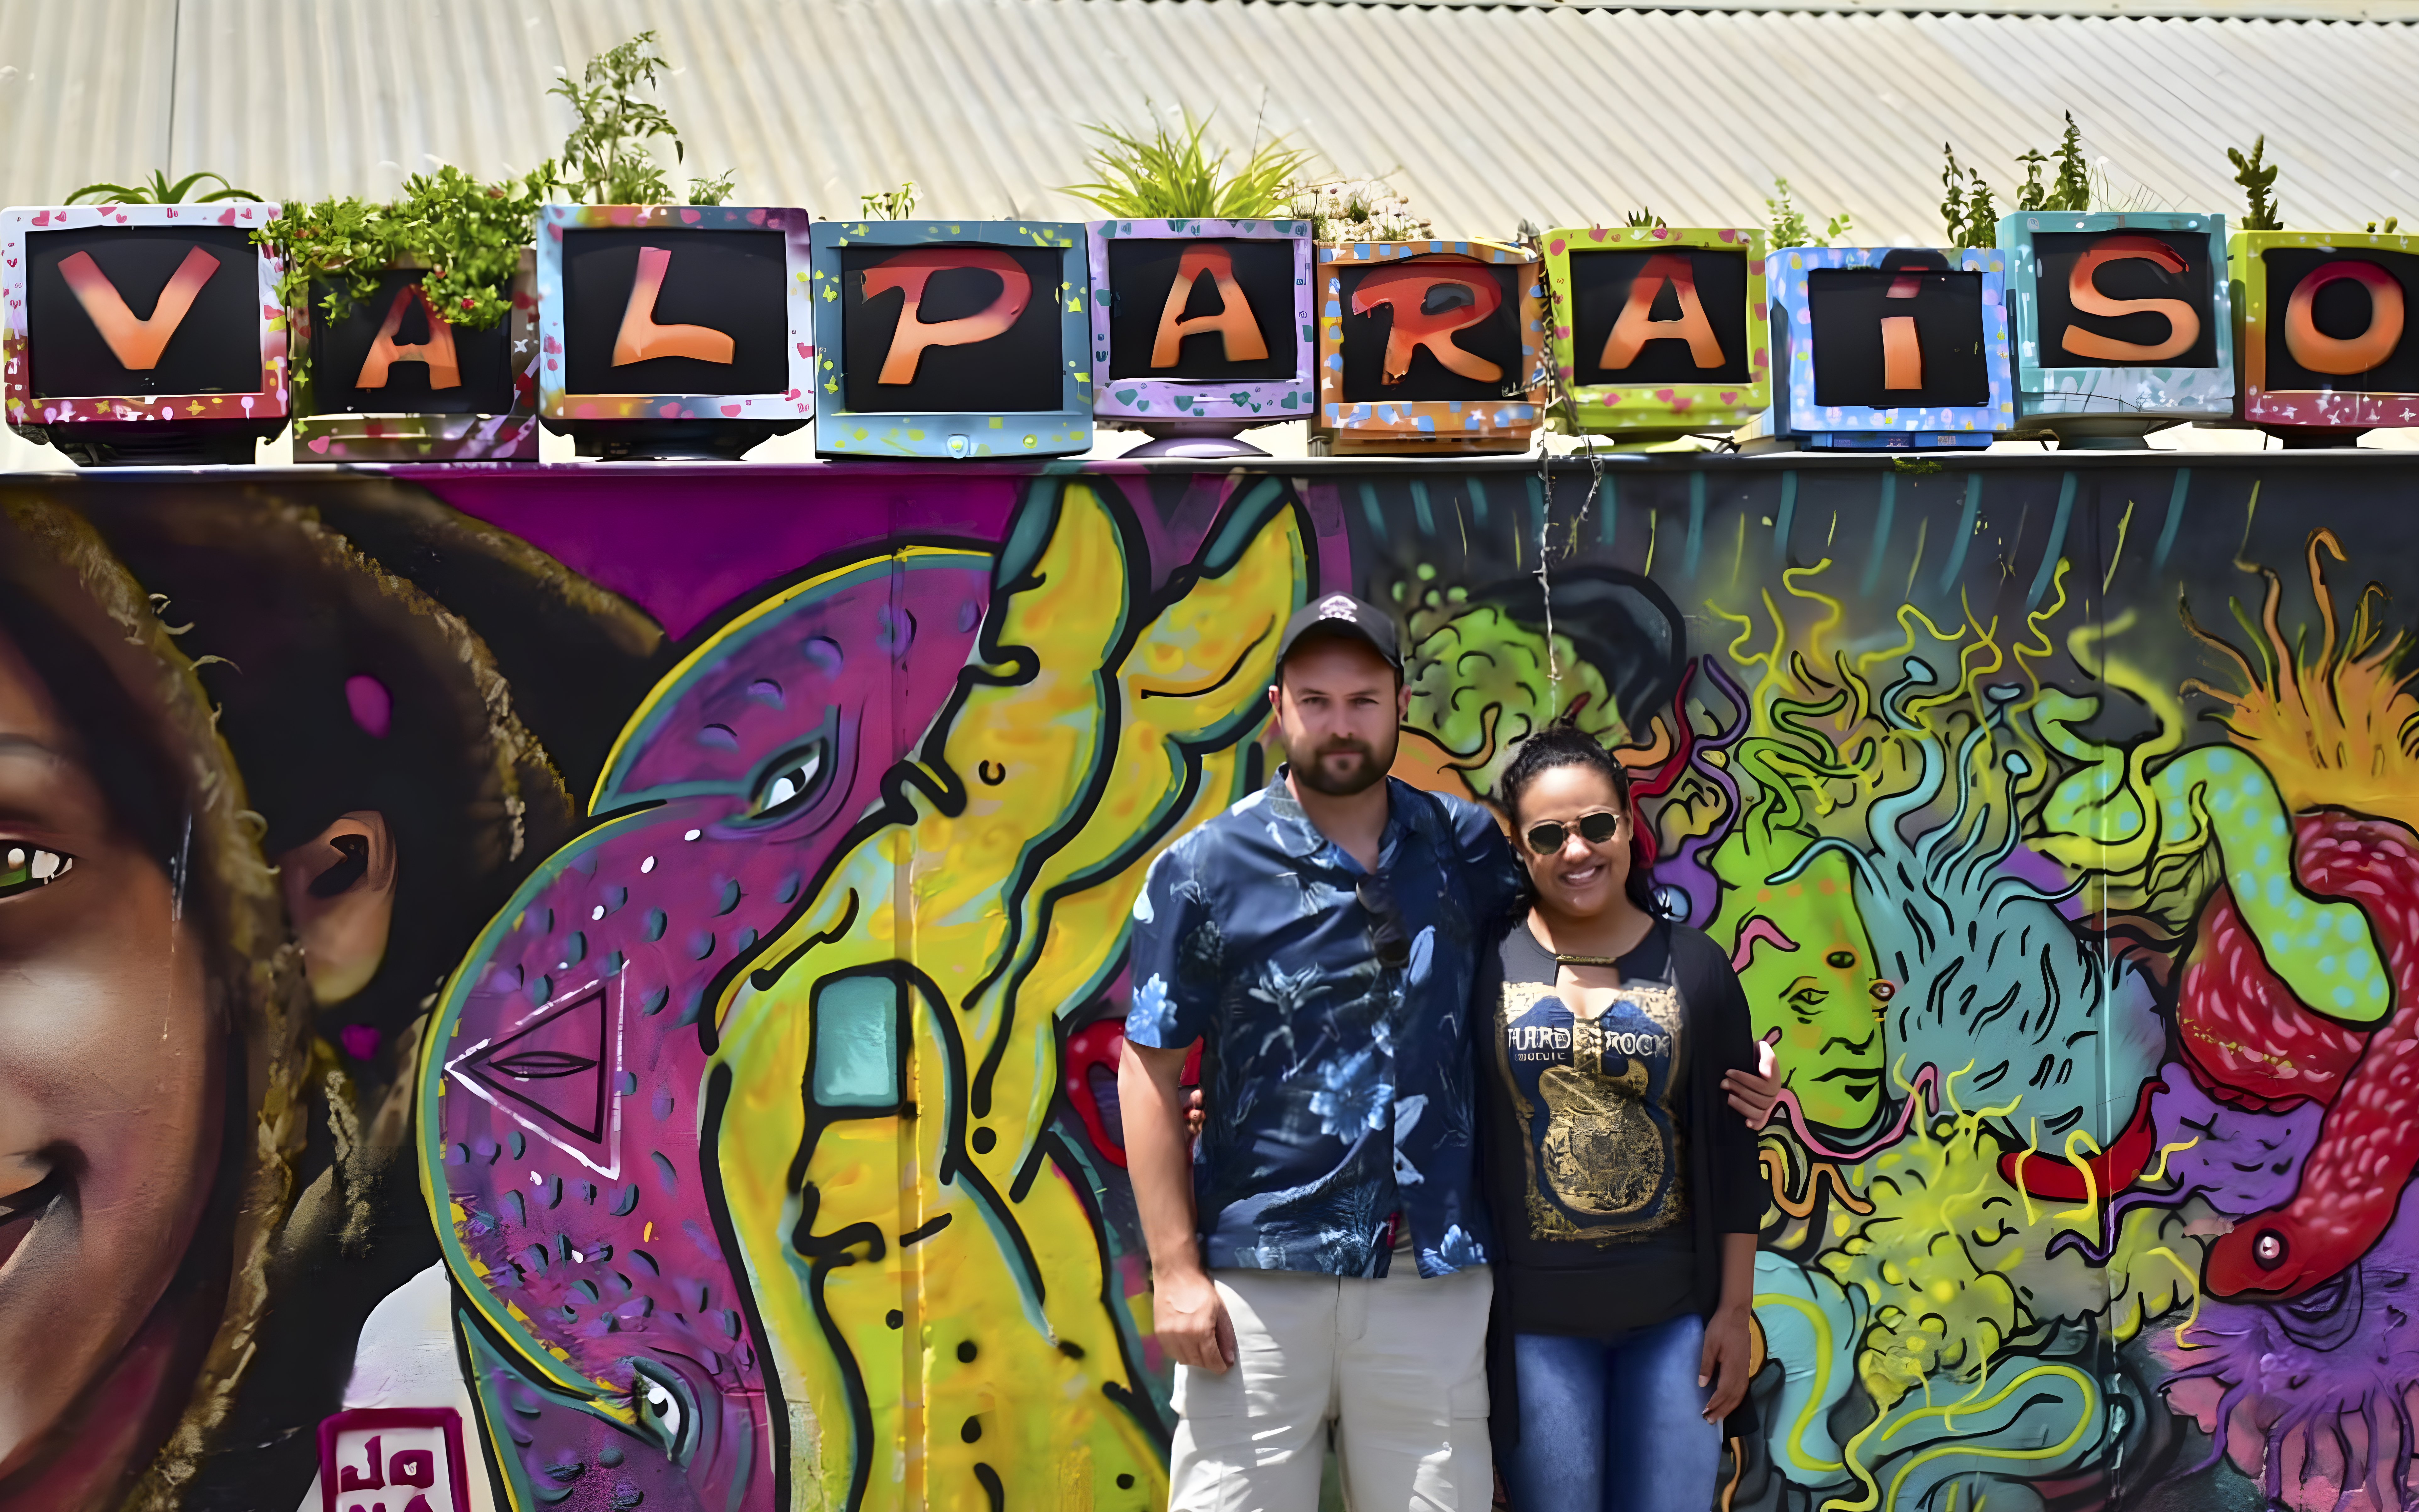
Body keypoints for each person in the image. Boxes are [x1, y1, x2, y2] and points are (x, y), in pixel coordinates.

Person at [1119, 592, 1776, 1511]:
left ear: (1398, 704)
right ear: (1277, 709)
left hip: (1430, 1279)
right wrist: (1176, 1269)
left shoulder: (1466, 845)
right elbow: (1147, 1065)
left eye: (1362, 698)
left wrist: (1705, 1055)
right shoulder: (1202, 869)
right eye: (1315, 700)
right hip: (1259, 1281)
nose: (1339, 723)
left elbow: (1581, 924)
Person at [1477, 720, 1767, 1512]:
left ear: (1628, 826)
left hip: (1672, 1327)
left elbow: (1733, 1153)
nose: (1577, 852)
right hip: (1535, 1333)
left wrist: (1734, 1313)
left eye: (1596, 825)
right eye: (1548, 835)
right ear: (1520, 849)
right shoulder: (1483, 965)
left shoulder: (1696, 966)